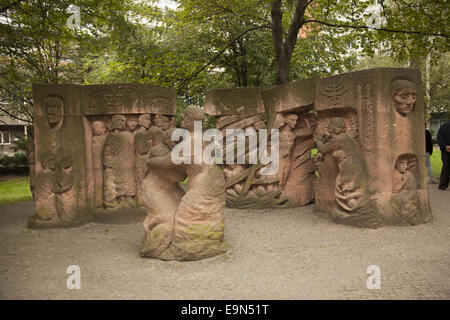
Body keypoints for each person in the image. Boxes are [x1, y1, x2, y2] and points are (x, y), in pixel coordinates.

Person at [437, 122, 450, 190]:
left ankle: (443, 185)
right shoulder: (445, 126)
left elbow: (439, 137)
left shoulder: (444, 126)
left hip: (445, 150)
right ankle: (443, 184)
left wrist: (445, 146)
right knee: (446, 167)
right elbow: (440, 136)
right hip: (445, 150)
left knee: (446, 167)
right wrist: (445, 146)